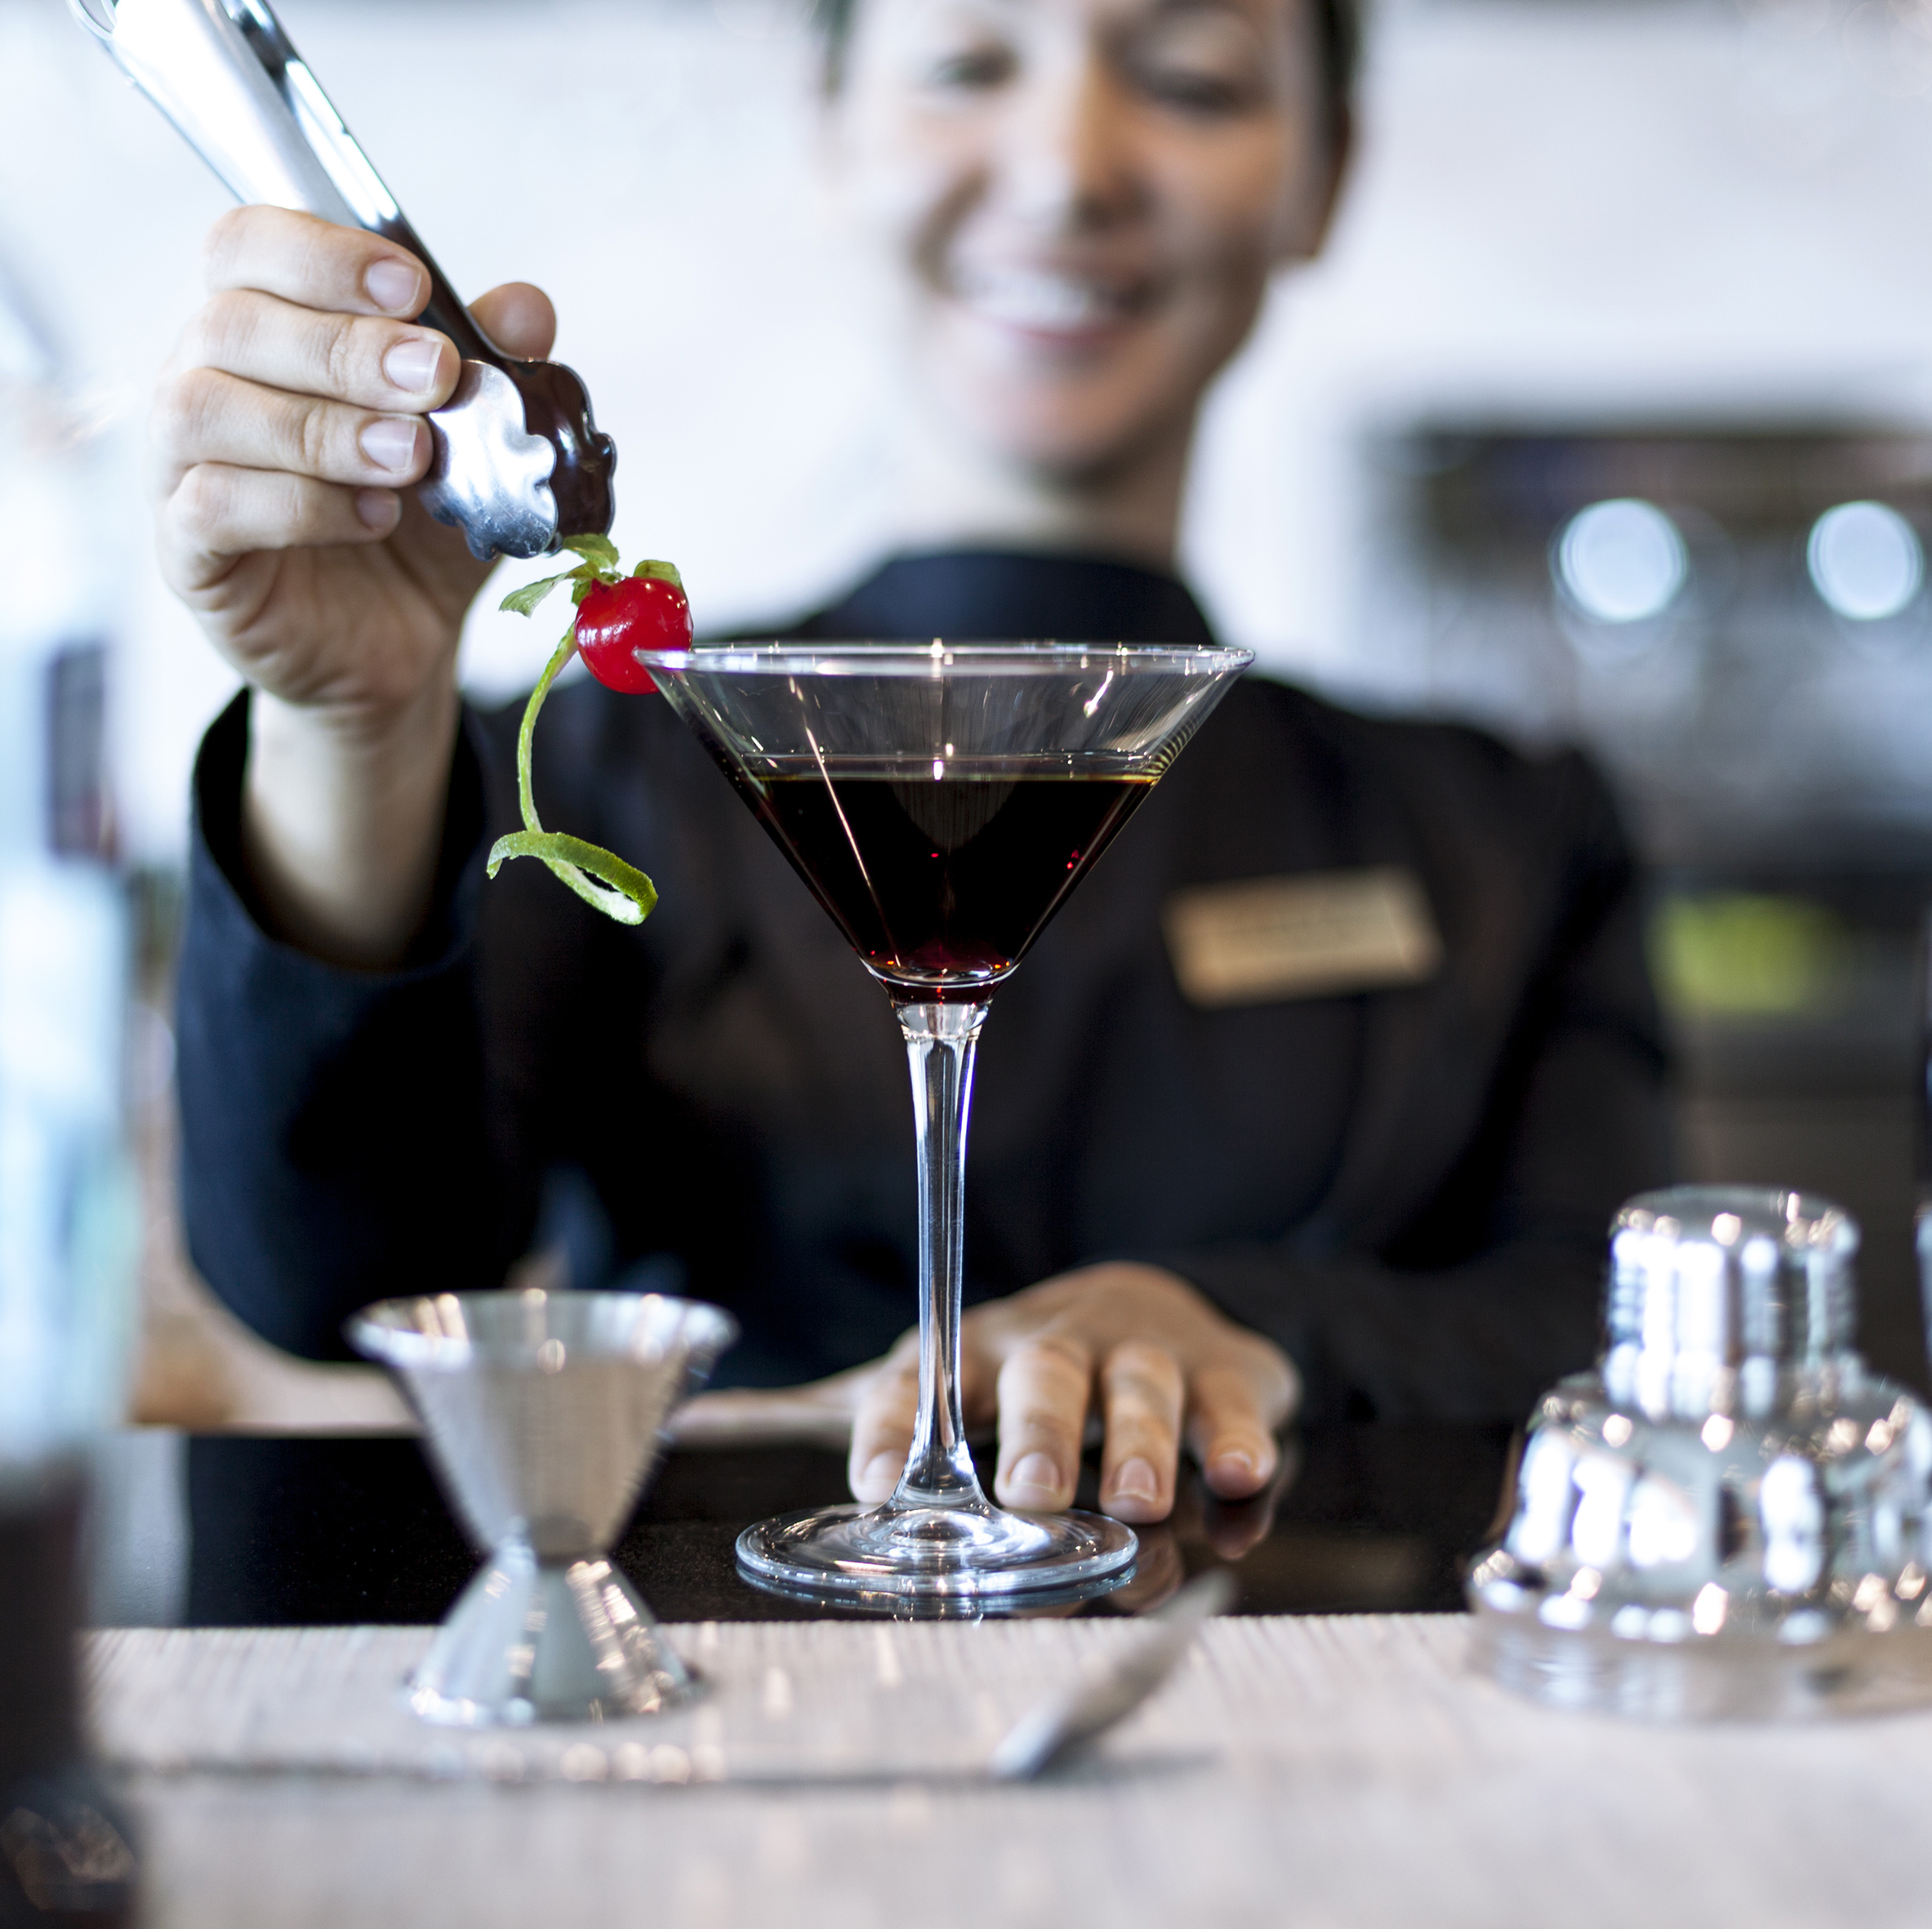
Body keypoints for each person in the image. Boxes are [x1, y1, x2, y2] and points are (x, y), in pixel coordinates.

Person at [158, 0, 1670, 1530]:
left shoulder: (1507, 829)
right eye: (966, 66)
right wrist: (351, 723)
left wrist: (1253, 1332)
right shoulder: (614, 753)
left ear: (1323, 176)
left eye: (1192, 81)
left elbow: (1611, 1324)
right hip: (721, 1702)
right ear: (831, 134)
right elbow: (338, 1274)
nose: (1071, 167)